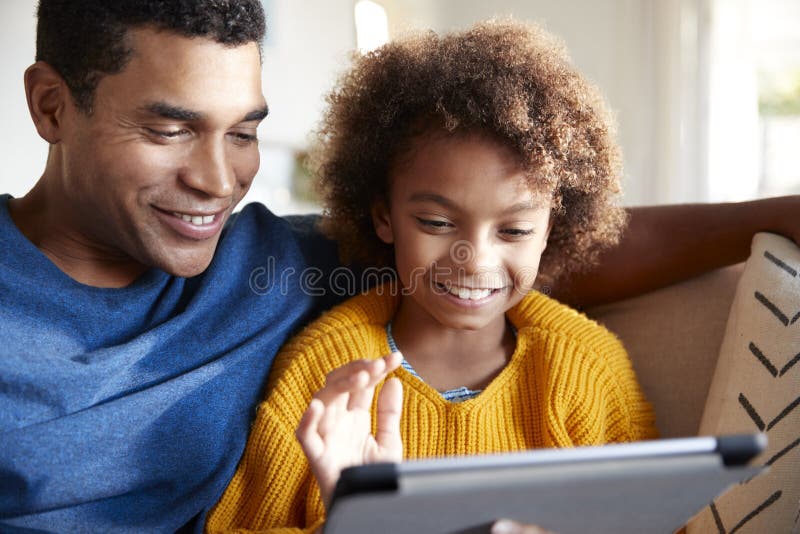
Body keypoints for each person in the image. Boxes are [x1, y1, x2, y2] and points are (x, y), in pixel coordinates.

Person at [0, 1, 797, 533]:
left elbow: (505, 259)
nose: (217, 182)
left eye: (242, 133)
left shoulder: (270, 266)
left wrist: (773, 217)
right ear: (51, 107)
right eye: (170, 130)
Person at [205, 19, 672, 534]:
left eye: (514, 230)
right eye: (436, 223)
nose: (475, 260)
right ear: (384, 217)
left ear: (549, 230)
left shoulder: (586, 369)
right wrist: (353, 525)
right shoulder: (324, 374)